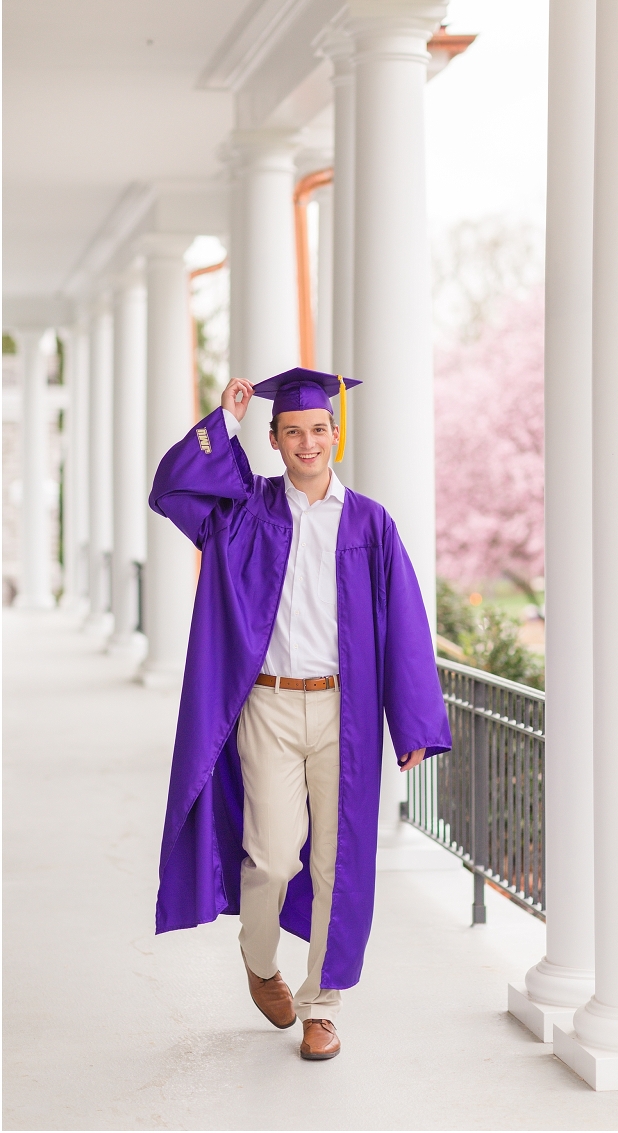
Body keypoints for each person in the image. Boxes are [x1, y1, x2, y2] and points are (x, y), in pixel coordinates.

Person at [149, 367, 451, 1061]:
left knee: (336, 866)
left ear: (335, 436)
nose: (307, 442)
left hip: (343, 711)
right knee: (275, 854)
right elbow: (171, 490)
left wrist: (413, 722)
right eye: (293, 432)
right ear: (275, 440)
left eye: (318, 430)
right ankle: (260, 961)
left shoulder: (370, 524)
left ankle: (321, 1006)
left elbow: (404, 624)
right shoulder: (243, 511)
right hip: (269, 705)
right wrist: (220, 422)